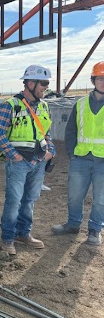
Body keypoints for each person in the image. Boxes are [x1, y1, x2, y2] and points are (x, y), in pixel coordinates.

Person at [0, 64, 55, 255]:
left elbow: (46, 132)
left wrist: (51, 150)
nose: (46, 87)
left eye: (47, 83)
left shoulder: (44, 106)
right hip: (18, 163)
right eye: (43, 83)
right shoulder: (10, 105)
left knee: (30, 200)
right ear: (30, 83)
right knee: (14, 201)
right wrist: (14, 155)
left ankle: (23, 234)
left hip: (39, 161)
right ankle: (8, 239)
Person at [51, 61, 104, 245]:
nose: (103, 82)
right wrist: (71, 153)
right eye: (100, 78)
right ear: (93, 80)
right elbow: (71, 130)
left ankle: (95, 229)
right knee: (74, 196)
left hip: (102, 161)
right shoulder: (80, 104)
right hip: (80, 159)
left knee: (100, 199)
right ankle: (73, 224)